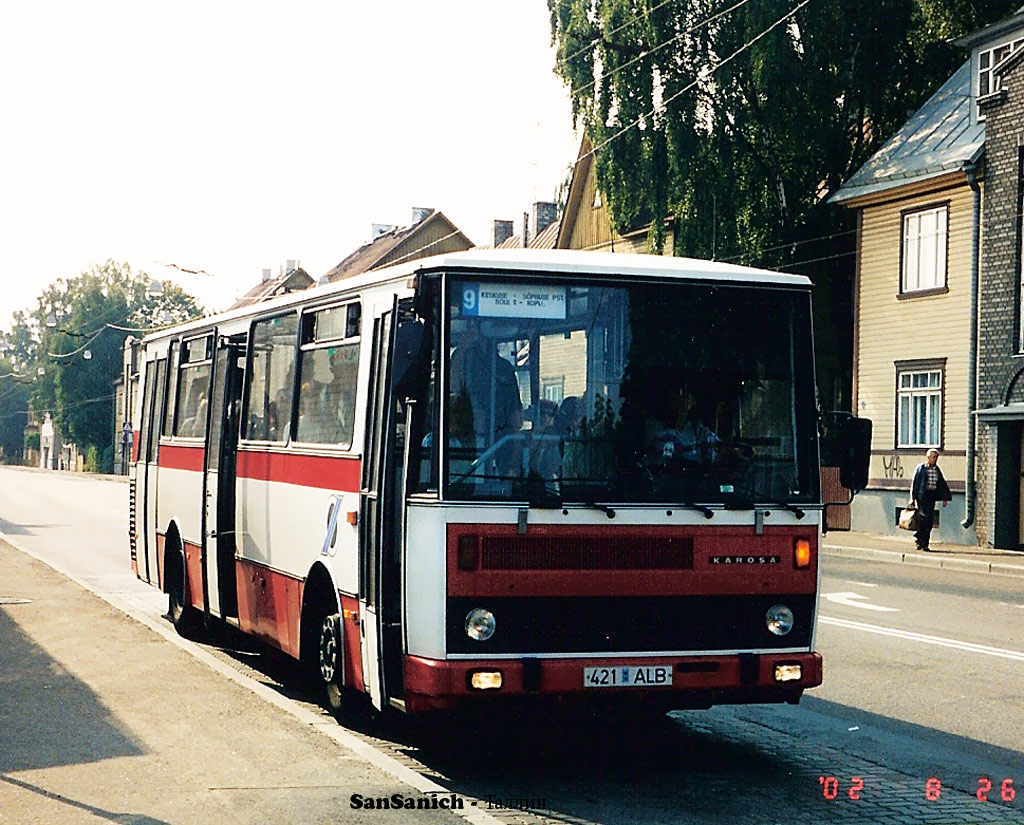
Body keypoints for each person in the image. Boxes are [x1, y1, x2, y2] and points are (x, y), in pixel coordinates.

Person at [649, 387, 720, 471]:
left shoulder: (698, 430)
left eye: (686, 399)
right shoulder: (655, 426)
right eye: (678, 398)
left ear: (692, 403)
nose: (682, 403)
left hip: (691, 478)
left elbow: (718, 446)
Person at [911, 448, 952, 551]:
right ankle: (920, 540)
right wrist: (912, 498)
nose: (935, 459)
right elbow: (915, 484)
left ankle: (924, 543)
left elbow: (942, 484)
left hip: (931, 496)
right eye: (933, 457)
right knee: (923, 518)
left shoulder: (937, 470)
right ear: (928, 457)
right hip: (922, 496)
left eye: (936, 457)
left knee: (929, 521)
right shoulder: (921, 469)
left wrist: (945, 498)